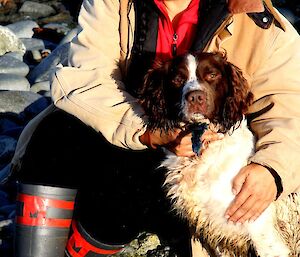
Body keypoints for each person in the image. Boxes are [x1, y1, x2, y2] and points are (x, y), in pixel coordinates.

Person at [10, 0, 300, 256]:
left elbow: (291, 106)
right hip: (132, 134)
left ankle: (82, 250)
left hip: (208, 178)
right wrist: (147, 132)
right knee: (55, 130)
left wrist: (272, 171)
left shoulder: (254, 16)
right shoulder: (111, 4)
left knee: (141, 177)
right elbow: (84, 81)